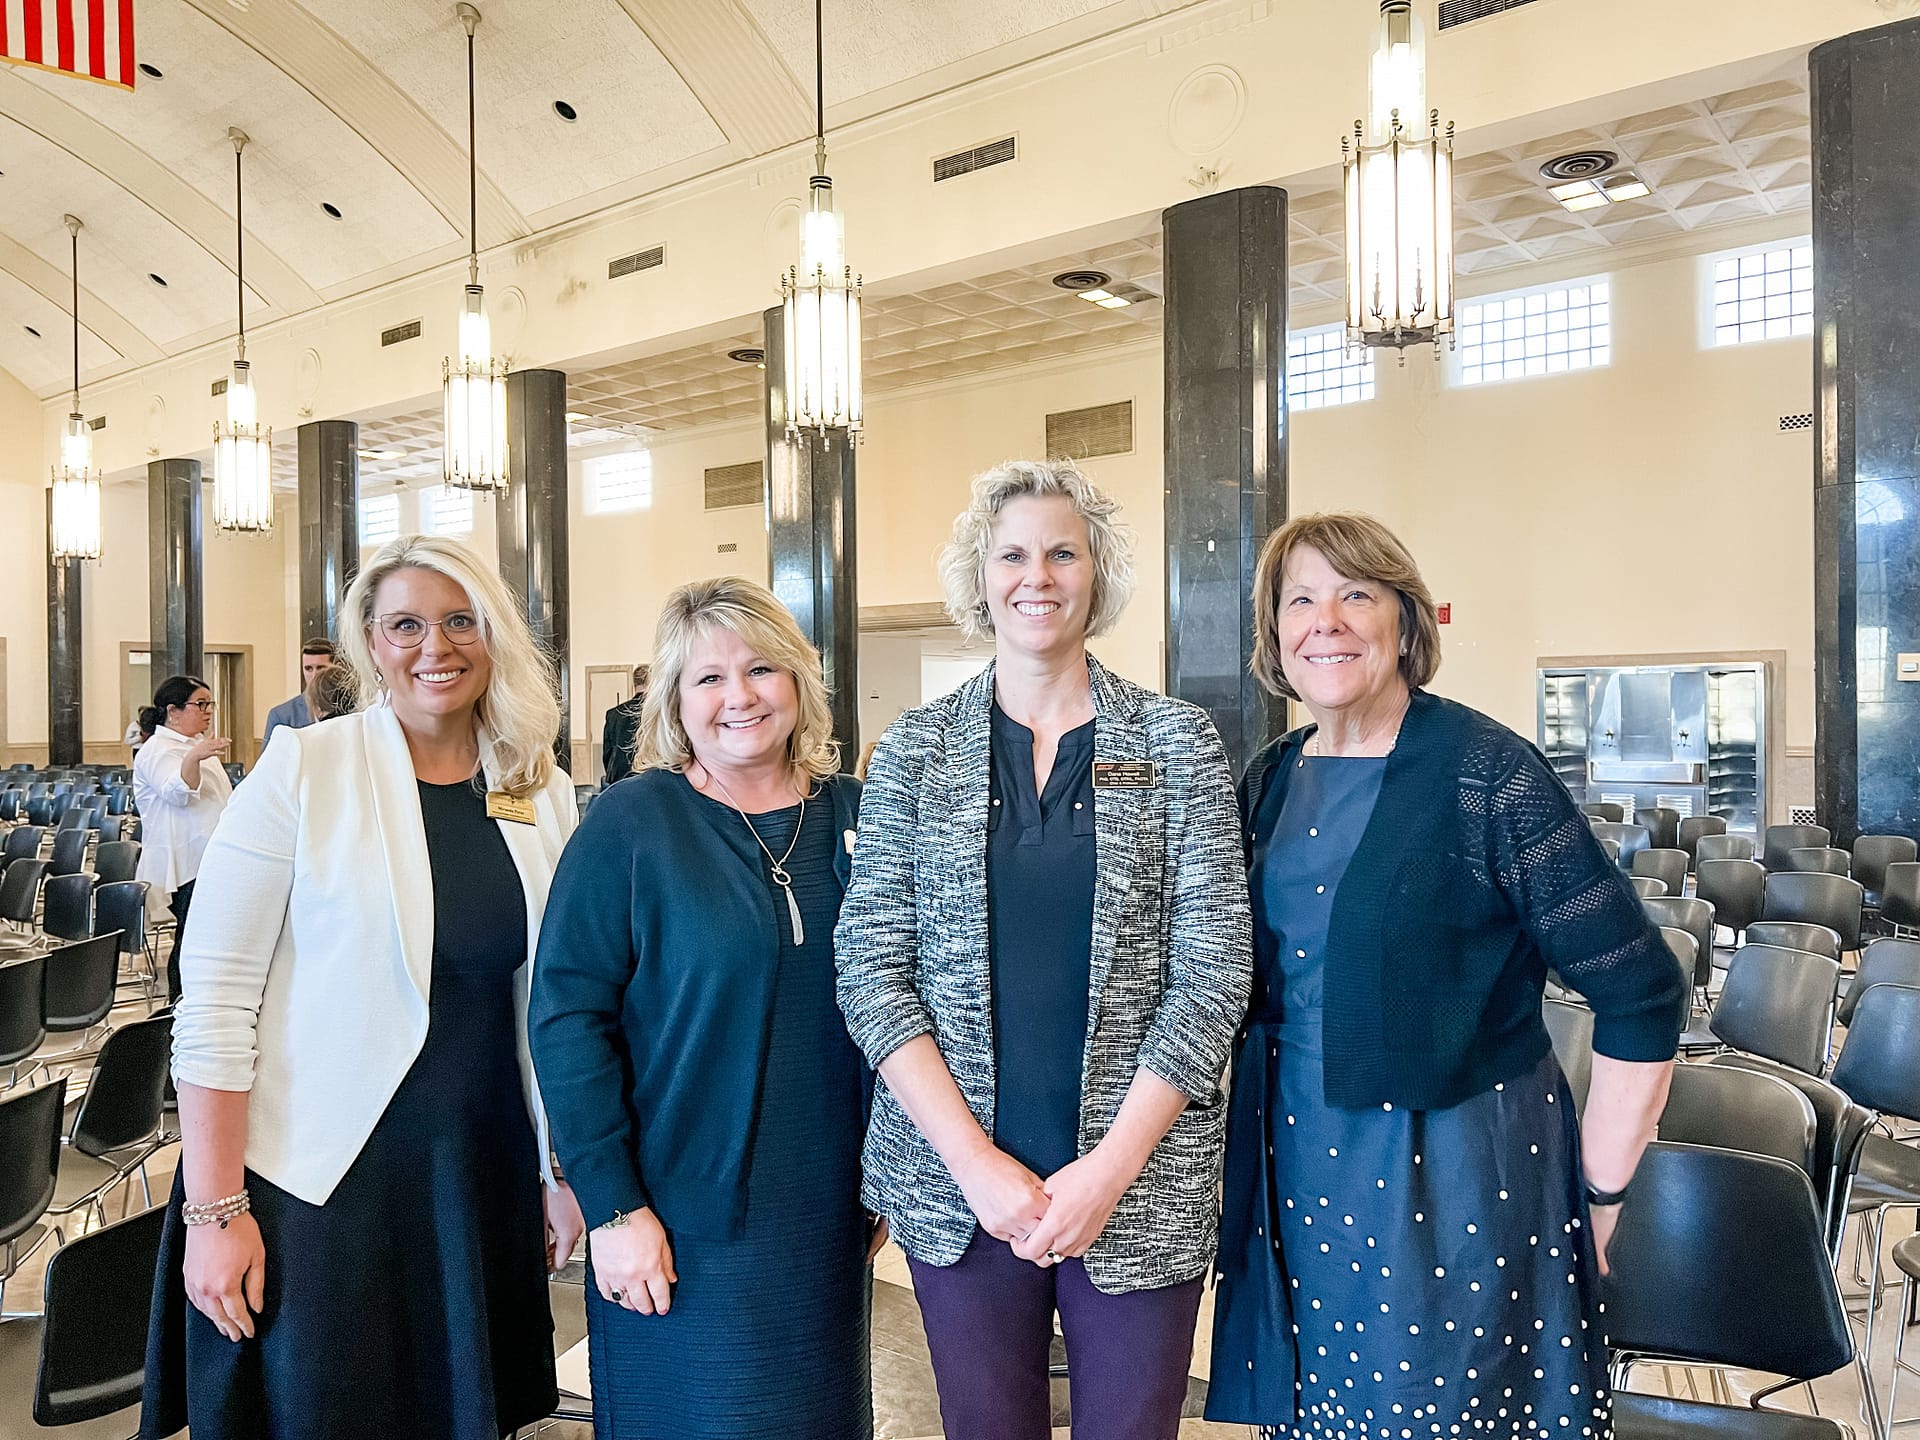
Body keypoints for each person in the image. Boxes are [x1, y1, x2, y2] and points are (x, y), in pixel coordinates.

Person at [1206, 512, 1683, 1438]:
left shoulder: (1488, 773)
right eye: (1299, 600)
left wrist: (1604, 1193)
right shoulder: (1267, 775)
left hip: (1451, 1180)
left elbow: (1642, 989)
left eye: (1356, 594)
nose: (1326, 621)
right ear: (1275, 635)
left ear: (1407, 620)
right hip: (1293, 1168)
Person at [836, 460, 1252, 1440]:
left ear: (1097, 574)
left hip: (1138, 1183)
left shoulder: (1177, 742)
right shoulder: (914, 750)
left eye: (1064, 552)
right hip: (958, 1184)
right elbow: (870, 969)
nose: (1039, 575)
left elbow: (1214, 973)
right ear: (979, 577)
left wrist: (1107, 1171)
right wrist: (974, 1162)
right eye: (1013, 554)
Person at [141, 535, 587, 1440]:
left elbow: (554, 1000)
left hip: (476, 1166)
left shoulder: (539, 789)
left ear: (495, 633)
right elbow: (217, 1002)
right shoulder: (305, 769)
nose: (437, 646)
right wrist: (214, 1210)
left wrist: (557, 1165)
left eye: (461, 620)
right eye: (407, 625)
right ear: (371, 645)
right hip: (323, 1176)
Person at [531, 577, 872, 1440]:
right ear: (674, 704)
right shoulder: (632, 825)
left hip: (825, 1210)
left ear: (799, 680)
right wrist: (610, 1205)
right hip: (675, 1214)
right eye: (708, 679)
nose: (740, 697)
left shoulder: (858, 814)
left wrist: (889, 1185)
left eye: (761, 669)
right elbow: (567, 1022)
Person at [131, 675, 232, 1003]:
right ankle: (179, 1006)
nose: (208, 712)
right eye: (200, 704)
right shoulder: (157, 749)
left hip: (211, 857)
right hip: (186, 863)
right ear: (173, 712)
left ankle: (204, 1002)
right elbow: (177, 794)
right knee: (191, 939)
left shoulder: (195, 744)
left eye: (209, 704)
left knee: (206, 938)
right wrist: (193, 758)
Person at [262, 637, 337, 744]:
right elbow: (269, 760)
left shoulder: (350, 708)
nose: (314, 675)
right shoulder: (282, 716)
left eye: (320, 668)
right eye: (308, 669)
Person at [600, 663, 651, 785]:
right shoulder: (656, 713)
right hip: (647, 776)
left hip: (618, 777)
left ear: (634, 684)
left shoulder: (613, 714)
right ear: (652, 683)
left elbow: (607, 753)